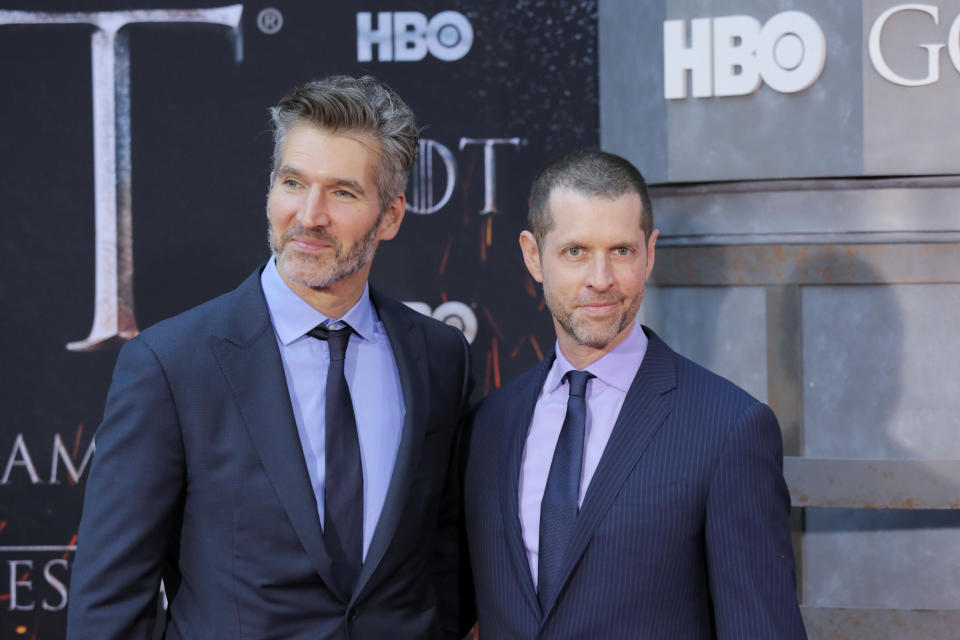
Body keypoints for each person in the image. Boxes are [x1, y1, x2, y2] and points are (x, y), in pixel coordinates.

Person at [67, 75, 474, 640]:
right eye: (292, 182)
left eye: (343, 192)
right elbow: (110, 599)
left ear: (391, 215)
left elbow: (442, 560)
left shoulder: (439, 356)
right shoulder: (172, 365)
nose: (309, 215)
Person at [464, 149, 806, 638]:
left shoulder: (728, 428)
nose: (600, 280)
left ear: (650, 253)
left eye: (621, 251)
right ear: (533, 256)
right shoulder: (490, 424)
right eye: (575, 251)